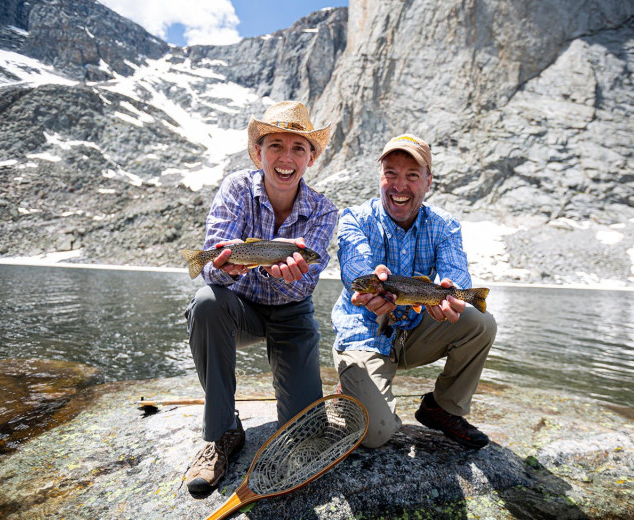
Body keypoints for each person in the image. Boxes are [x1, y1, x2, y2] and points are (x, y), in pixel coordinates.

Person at [183, 101, 337, 493]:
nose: (286, 158)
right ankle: (221, 434)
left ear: (311, 158)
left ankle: (299, 420)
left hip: (291, 314)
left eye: (298, 148)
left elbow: (305, 284)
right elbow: (210, 269)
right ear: (257, 153)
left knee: (307, 432)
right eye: (275, 146)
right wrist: (226, 264)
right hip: (240, 308)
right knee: (205, 302)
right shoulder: (236, 188)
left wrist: (283, 273)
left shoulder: (323, 210)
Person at [331, 134, 497, 450]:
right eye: (391, 173)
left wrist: (454, 293)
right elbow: (354, 267)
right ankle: (350, 387)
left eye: (412, 175)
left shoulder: (445, 225)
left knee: (481, 323)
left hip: (413, 332)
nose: (400, 185)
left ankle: (442, 409)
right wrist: (370, 279)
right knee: (376, 433)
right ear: (379, 177)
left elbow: (455, 275)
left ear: (428, 181)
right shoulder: (355, 218)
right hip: (365, 334)